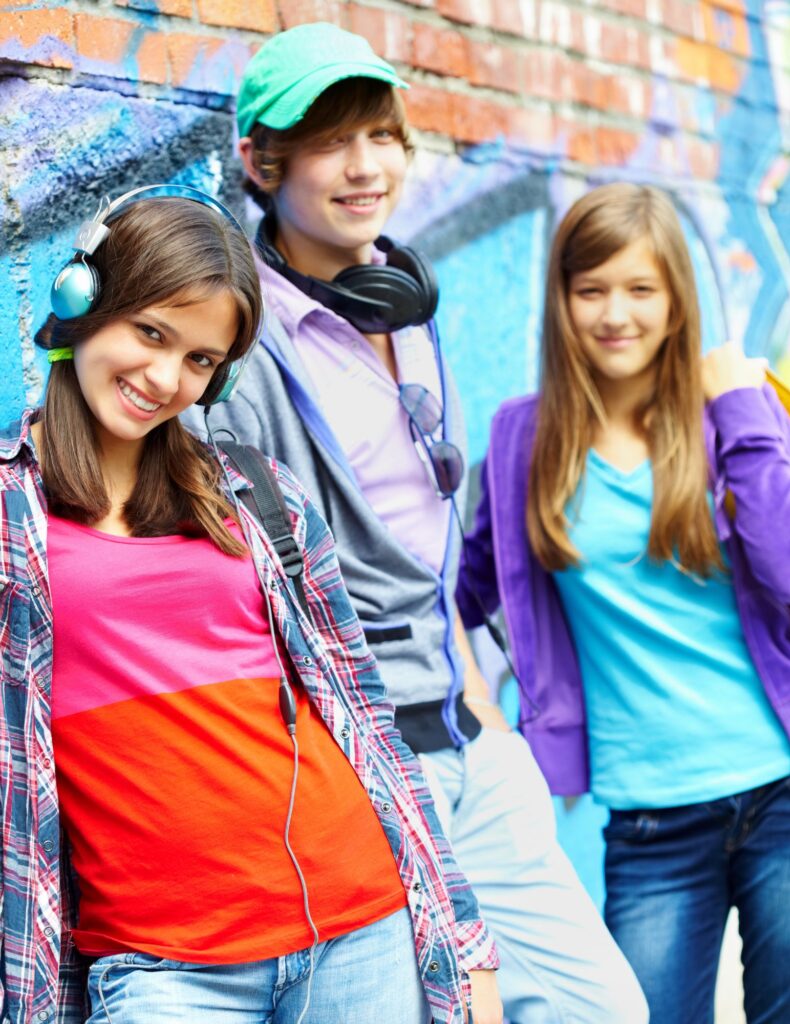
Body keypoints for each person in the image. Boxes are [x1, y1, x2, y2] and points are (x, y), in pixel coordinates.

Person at [184, 23, 648, 1024]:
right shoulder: (241, 352)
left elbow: (429, 547)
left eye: (384, 136)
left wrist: (480, 704)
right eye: (330, 142)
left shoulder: (404, 300)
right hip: (361, 767)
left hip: (470, 739)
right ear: (261, 164)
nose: (367, 167)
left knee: (597, 1005)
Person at [0, 186, 501, 1024]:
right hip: (164, 970)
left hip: (358, 929)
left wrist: (462, 942)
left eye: (200, 361)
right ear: (83, 299)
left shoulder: (257, 497)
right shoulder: (14, 516)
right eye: (151, 333)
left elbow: (364, 719)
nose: (164, 379)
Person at [457, 181, 790, 1024]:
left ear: (675, 302)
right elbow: (454, 593)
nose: (615, 314)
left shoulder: (729, 417)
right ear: (561, 300)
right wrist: (475, 705)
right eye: (590, 289)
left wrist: (743, 408)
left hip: (781, 789)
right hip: (648, 818)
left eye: (640, 289)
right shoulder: (523, 439)